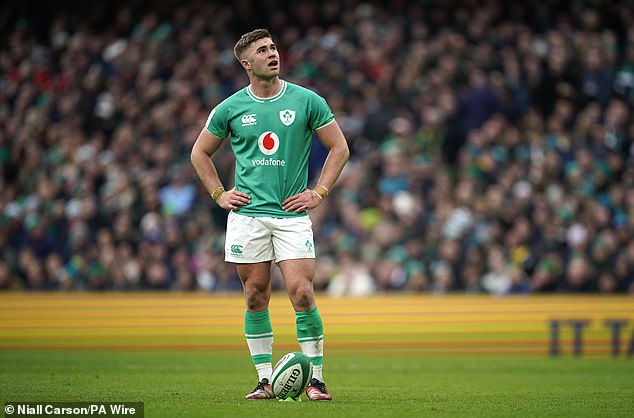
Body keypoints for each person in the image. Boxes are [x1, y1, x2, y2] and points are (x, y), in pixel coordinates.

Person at [190, 28, 349, 401]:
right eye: (262, 50)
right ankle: (264, 380)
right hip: (247, 217)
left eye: (273, 47)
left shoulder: (307, 101)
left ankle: (317, 381)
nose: (272, 53)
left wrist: (319, 192)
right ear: (246, 63)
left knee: (302, 292)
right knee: (255, 296)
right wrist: (219, 194)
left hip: (291, 216)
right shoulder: (229, 108)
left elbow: (339, 148)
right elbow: (199, 153)